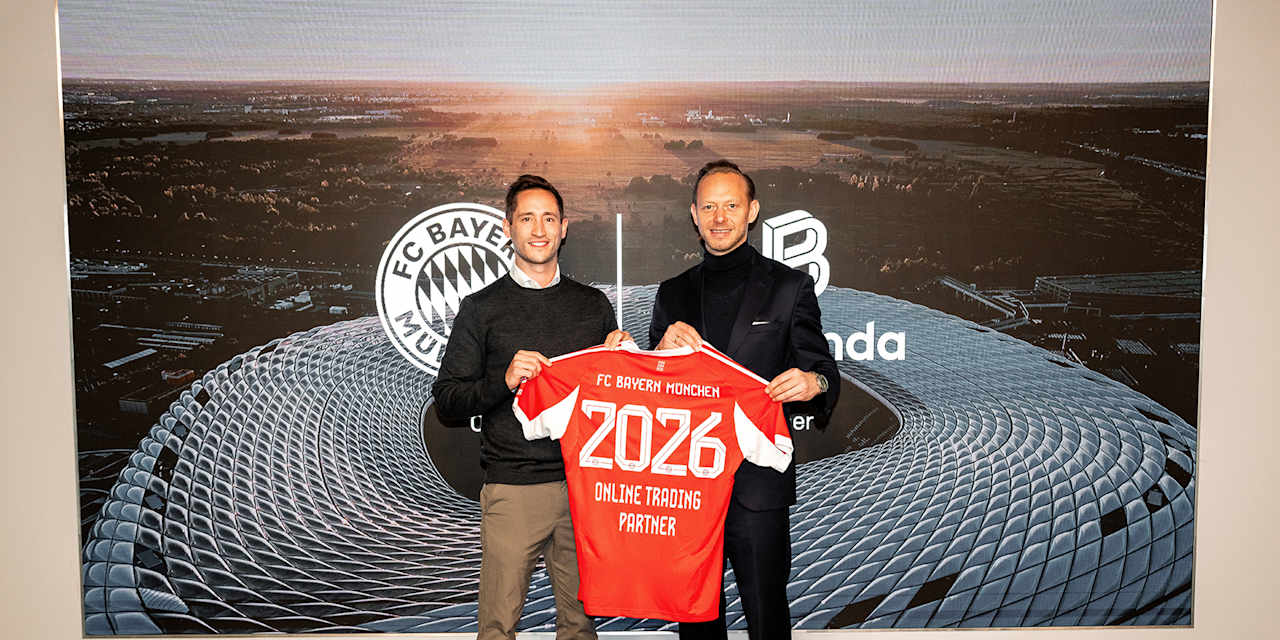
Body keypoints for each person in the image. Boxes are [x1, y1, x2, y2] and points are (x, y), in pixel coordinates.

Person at [433, 174, 630, 640]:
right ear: (508, 228)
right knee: (497, 628)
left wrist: (624, 361)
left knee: (580, 626)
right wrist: (503, 380)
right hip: (514, 487)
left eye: (548, 218)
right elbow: (448, 399)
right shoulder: (481, 308)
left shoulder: (593, 305)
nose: (538, 229)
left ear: (564, 228)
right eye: (526, 218)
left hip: (586, 489)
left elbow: (612, 396)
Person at [649, 160, 839, 640]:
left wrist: (813, 384)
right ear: (693, 214)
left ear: (752, 211)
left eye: (731, 205)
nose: (719, 217)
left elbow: (823, 370)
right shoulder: (671, 294)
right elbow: (650, 392)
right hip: (687, 494)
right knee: (696, 626)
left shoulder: (789, 286)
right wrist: (656, 354)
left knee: (767, 619)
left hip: (758, 490)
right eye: (708, 206)